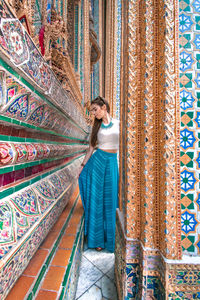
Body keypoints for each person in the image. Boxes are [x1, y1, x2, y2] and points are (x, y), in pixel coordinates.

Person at [78, 96, 119, 253]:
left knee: (110, 200)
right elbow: (90, 149)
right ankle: (97, 240)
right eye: (92, 111)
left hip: (112, 163)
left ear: (104, 107)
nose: (94, 113)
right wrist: (82, 166)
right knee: (97, 201)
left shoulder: (118, 124)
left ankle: (110, 238)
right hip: (97, 162)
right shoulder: (97, 127)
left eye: (95, 110)